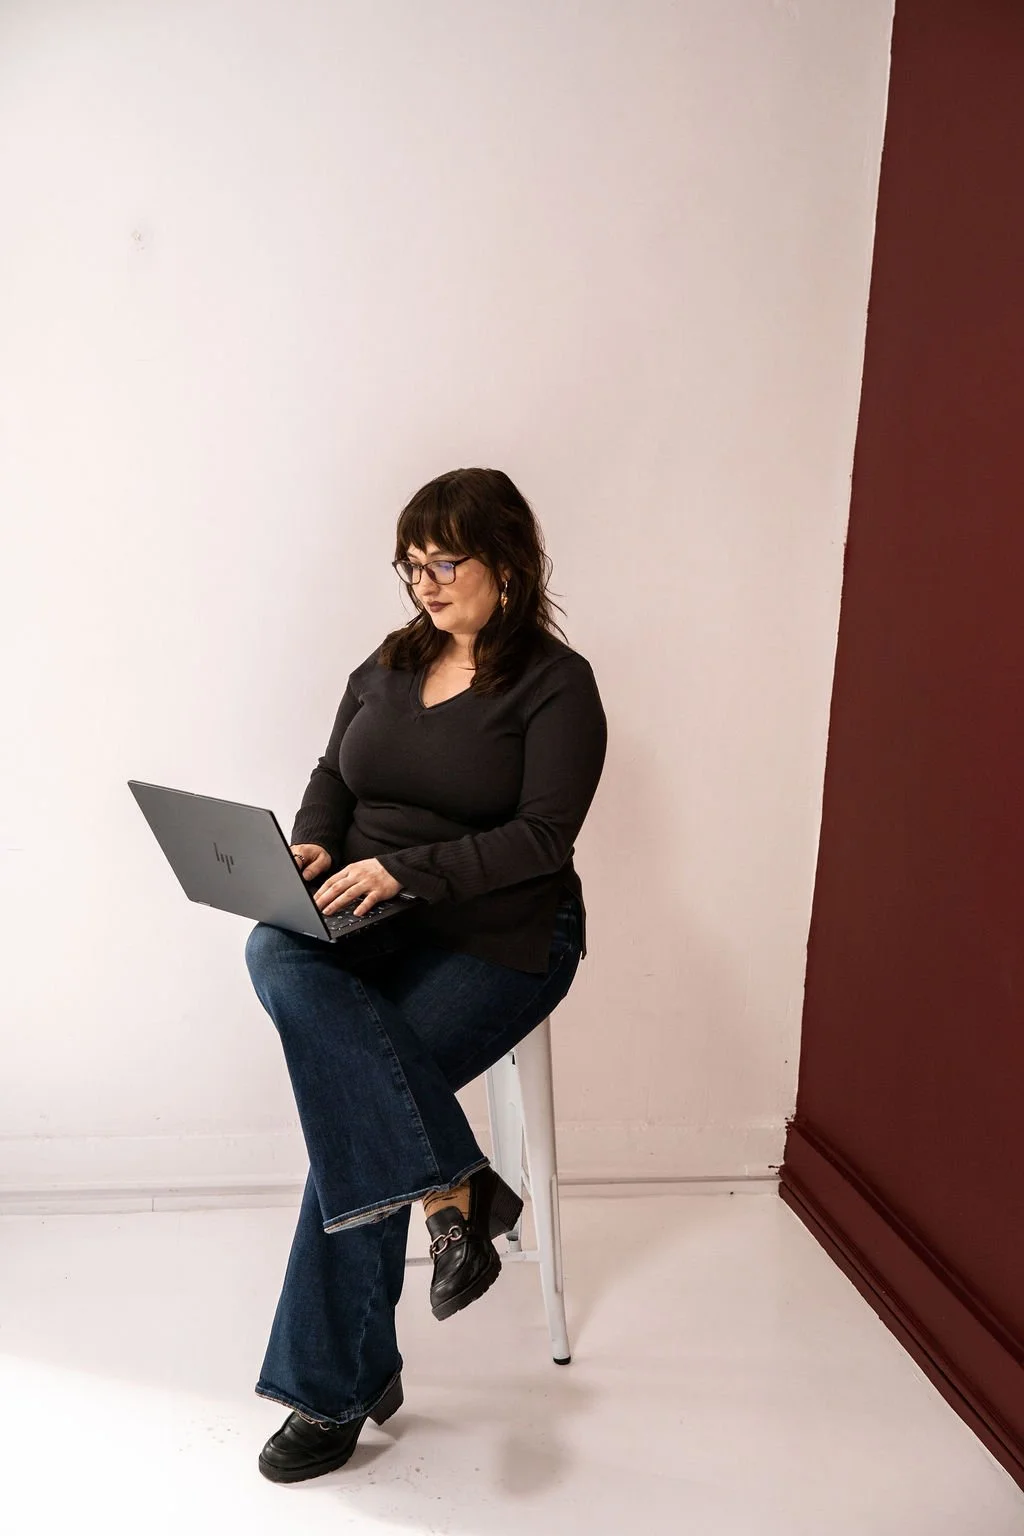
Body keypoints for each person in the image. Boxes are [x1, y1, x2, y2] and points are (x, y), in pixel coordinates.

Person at [243, 466, 607, 1483]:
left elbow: (542, 839)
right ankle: (457, 1184)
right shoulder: (392, 660)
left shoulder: (554, 685)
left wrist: (403, 867)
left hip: (501, 929)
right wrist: (313, 849)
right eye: (411, 566)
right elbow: (331, 775)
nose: (426, 585)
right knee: (273, 943)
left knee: (356, 1125)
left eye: (445, 562)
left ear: (507, 561)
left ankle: (333, 1391)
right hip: (370, 910)